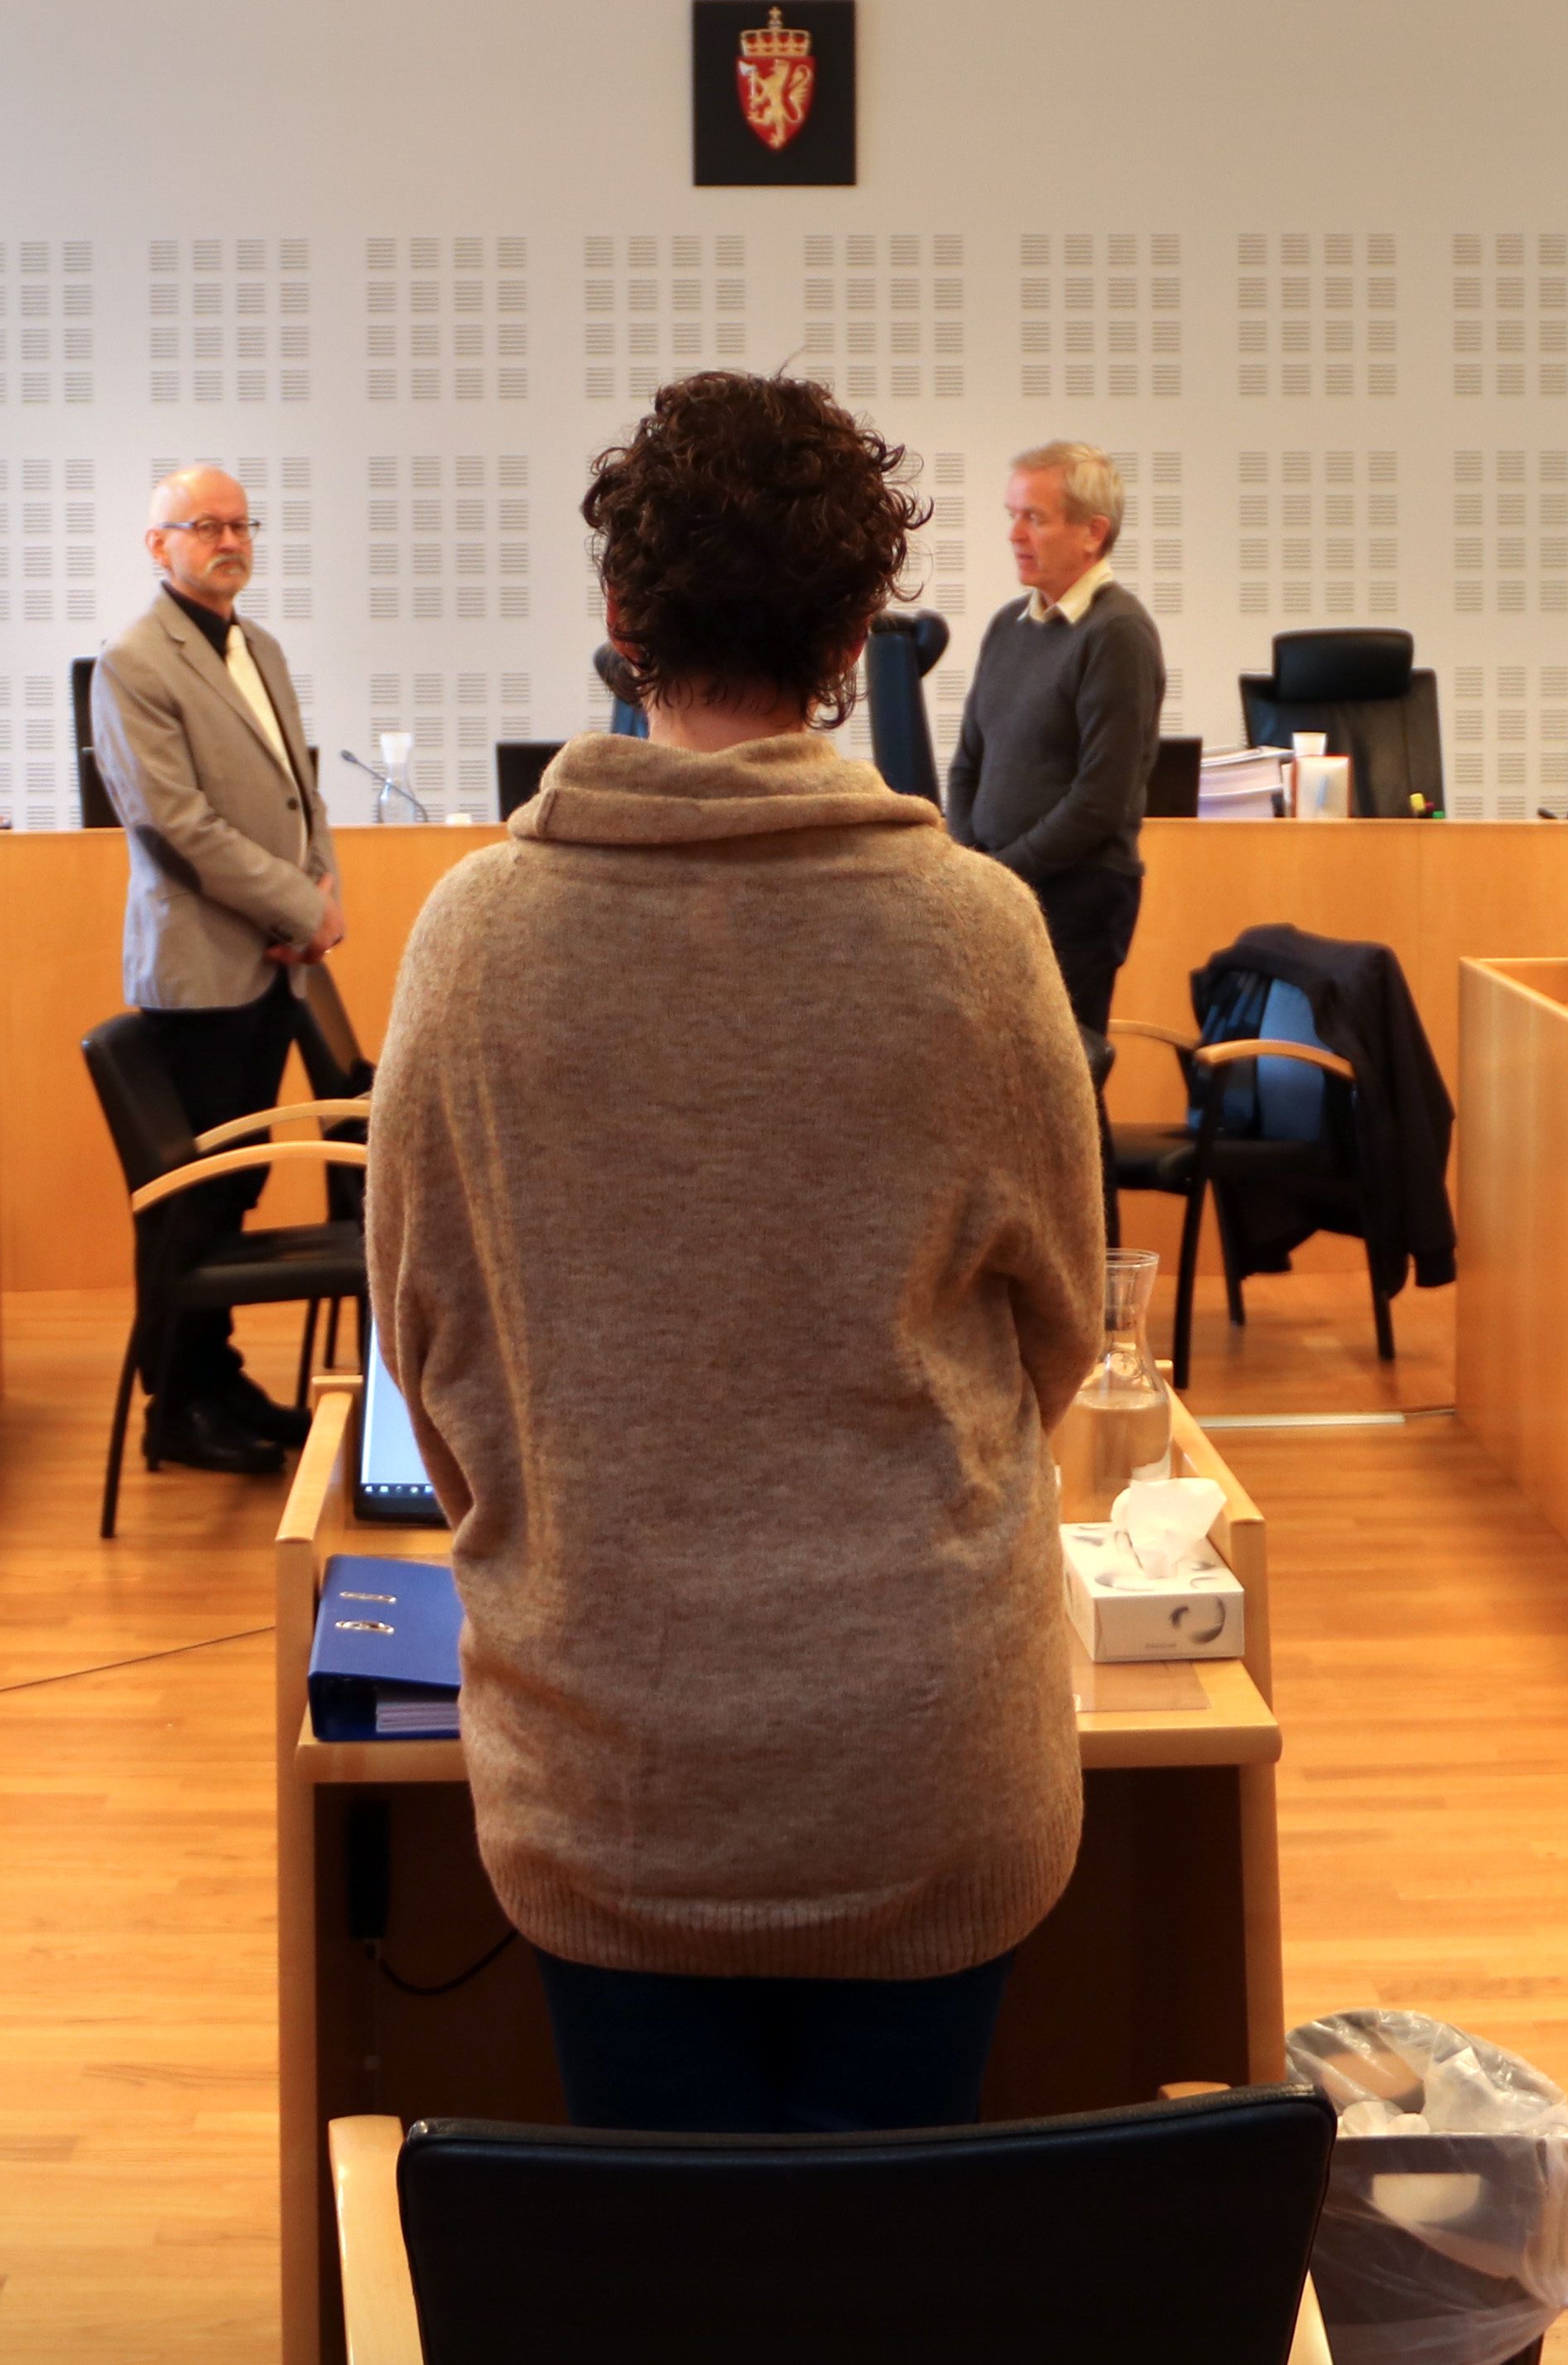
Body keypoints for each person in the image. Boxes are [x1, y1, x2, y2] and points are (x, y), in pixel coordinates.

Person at [368, 370, 1102, 2136]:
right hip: (926, 1764)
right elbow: (1061, 1329)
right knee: (899, 2255)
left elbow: (420, 1334)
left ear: (620, 619)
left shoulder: (472, 937)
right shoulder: (976, 931)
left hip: (608, 1765)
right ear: (856, 635)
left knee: (666, 2257)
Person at [86, 462, 343, 1475]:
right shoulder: (133, 662)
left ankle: (216, 1378)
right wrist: (299, 908)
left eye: (241, 524)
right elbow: (174, 827)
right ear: (159, 544)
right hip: (199, 971)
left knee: (236, 1192)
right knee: (190, 1202)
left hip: (271, 965)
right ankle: (176, 1407)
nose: (230, 540)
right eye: (205, 525)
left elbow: (298, 794)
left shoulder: (259, 646)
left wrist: (321, 888)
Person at [946, 441, 1166, 1033]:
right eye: (1012, 515)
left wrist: (1000, 875)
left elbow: (1101, 798)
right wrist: (970, 866)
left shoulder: (1116, 632)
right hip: (998, 891)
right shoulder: (1007, 625)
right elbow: (967, 763)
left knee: (1060, 1076)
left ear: (1092, 533)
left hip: (1075, 900)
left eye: (1034, 518)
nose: (1015, 534)